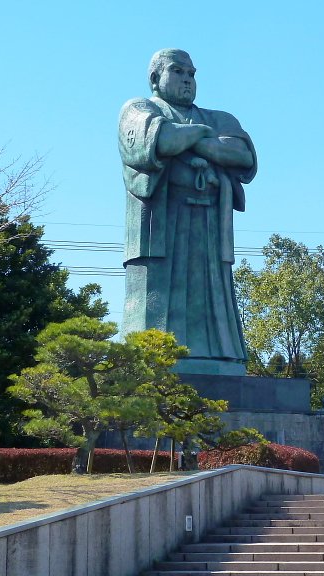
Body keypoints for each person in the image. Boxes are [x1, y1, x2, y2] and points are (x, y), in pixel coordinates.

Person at [118, 48, 257, 376]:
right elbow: (160, 140)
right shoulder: (137, 109)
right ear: (155, 78)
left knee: (214, 304)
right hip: (160, 228)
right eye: (178, 71)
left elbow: (243, 155)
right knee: (154, 309)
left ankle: (221, 362)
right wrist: (203, 138)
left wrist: (190, 139)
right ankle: (149, 365)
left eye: (192, 74)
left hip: (208, 228)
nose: (187, 79)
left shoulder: (219, 118)